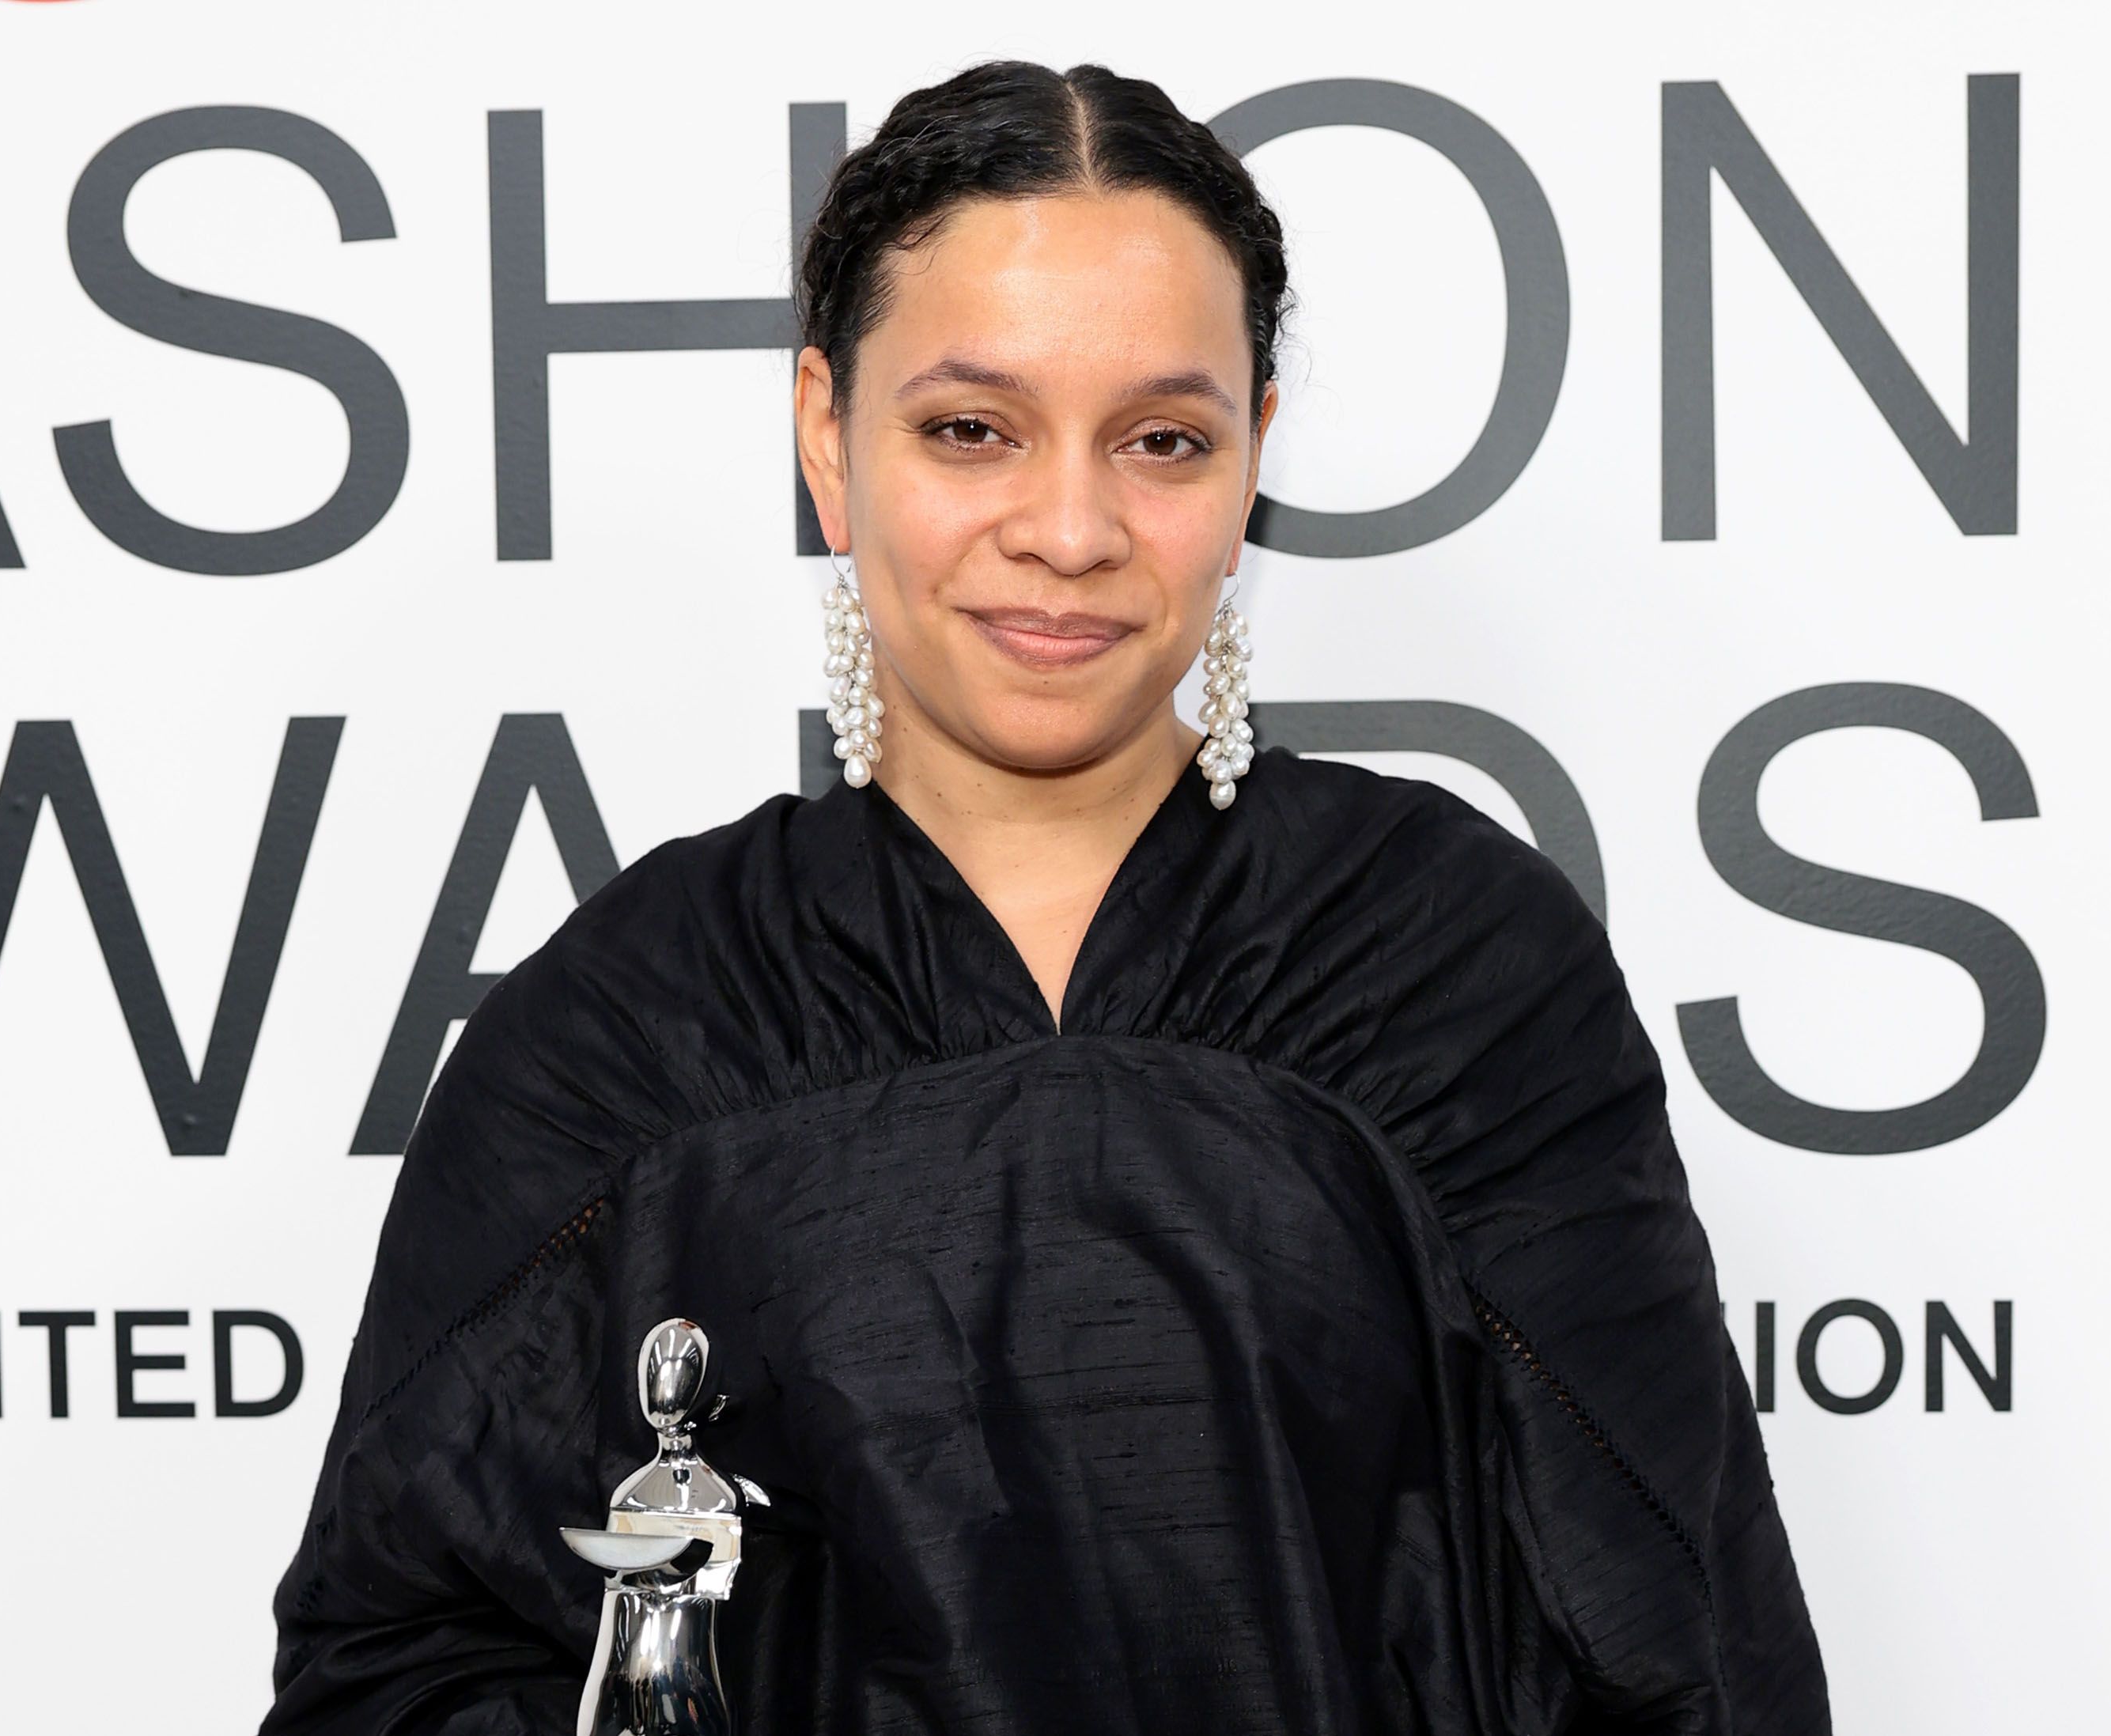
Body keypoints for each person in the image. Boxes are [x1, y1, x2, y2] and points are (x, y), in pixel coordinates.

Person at [263, 59, 1828, 1734]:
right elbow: (399, 1658)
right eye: (971, 430)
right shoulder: (629, 1031)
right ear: (827, 438)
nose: (1070, 529)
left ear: (1252, 458)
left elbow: (1679, 1640)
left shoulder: (1451, 968)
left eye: (1161, 440)